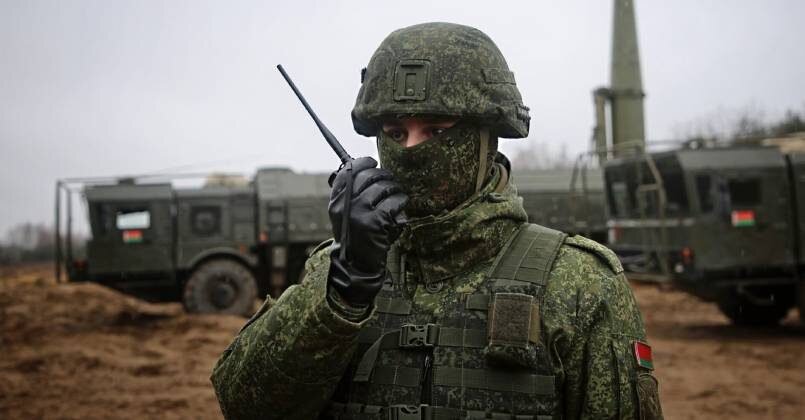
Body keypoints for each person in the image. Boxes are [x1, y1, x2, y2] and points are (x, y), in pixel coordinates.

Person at [211, 22, 663, 420]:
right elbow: (246, 406)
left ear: (487, 138)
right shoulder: (335, 270)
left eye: (436, 130)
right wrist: (344, 291)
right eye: (395, 132)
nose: (410, 149)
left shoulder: (580, 282)